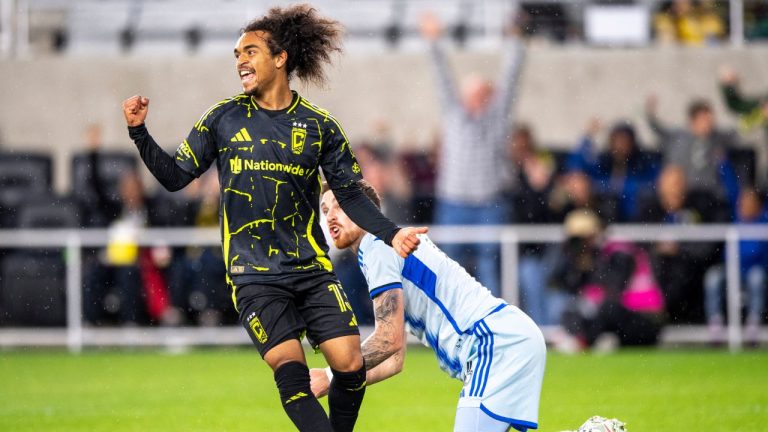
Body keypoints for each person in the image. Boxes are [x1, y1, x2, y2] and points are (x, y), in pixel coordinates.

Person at [121, 5, 426, 431]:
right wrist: (139, 133)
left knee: (351, 365)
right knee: (292, 376)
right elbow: (175, 177)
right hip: (253, 274)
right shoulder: (221, 118)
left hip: (310, 269)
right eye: (236, 54)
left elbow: (352, 196)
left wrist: (391, 235)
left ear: (280, 58)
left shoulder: (320, 126)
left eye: (250, 51)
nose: (240, 61)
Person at [312, 182, 546, 432]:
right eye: (325, 210)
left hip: (492, 343)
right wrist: (338, 382)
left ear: (365, 209)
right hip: (506, 338)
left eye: (340, 206)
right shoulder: (386, 244)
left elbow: (388, 340)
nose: (331, 217)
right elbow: (394, 359)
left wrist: (329, 375)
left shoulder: (377, 245)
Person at [421, 12, 525, 296]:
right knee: (446, 266)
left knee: (490, 267)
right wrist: (433, 41)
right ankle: (446, 323)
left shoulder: (497, 117)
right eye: (477, 93)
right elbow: (441, 76)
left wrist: (515, 42)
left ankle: (491, 323)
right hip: (452, 204)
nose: (483, 98)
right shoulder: (454, 114)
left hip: (489, 204)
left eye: (486, 93)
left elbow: (511, 78)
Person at [703, 187, 767, 345]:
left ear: (758, 205)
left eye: (749, 201)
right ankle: (715, 325)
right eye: (742, 201)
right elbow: (729, 185)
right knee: (713, 277)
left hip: (754, 270)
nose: (744, 204)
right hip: (732, 270)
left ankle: (754, 324)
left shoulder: (763, 224)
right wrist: (723, 163)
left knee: (757, 278)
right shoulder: (734, 220)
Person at [567, 119, 659, 222]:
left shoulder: (643, 170)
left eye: (625, 142)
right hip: (602, 222)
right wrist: (587, 137)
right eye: (616, 141)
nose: (620, 147)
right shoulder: (601, 168)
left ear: (633, 144)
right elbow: (576, 167)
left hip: (634, 223)